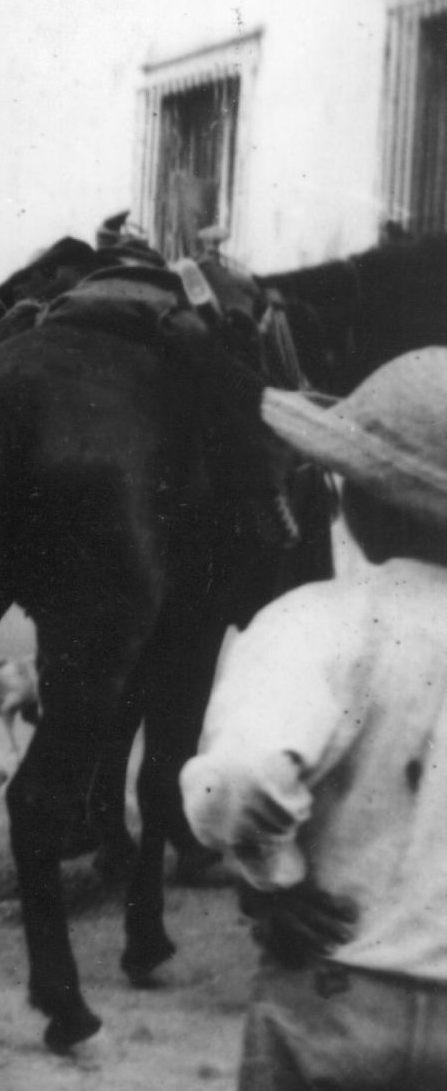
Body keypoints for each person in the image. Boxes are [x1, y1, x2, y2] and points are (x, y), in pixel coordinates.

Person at [181, 347, 447, 1089]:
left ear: (361, 502)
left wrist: (273, 877)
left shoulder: (327, 622)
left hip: (338, 993)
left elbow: (238, 778)